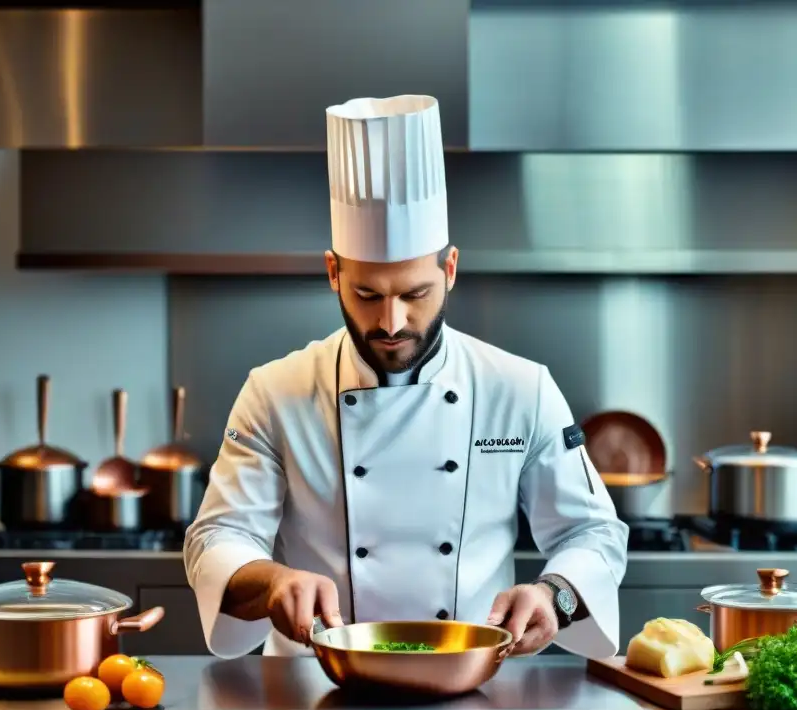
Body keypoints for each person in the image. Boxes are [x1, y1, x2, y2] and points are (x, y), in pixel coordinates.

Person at [183, 94, 629, 659]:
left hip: (475, 688)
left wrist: (556, 596)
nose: (391, 322)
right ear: (332, 273)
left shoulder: (520, 388)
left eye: (415, 294)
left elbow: (594, 533)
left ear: (450, 270)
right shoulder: (276, 392)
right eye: (367, 294)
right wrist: (273, 581)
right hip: (312, 686)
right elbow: (213, 540)